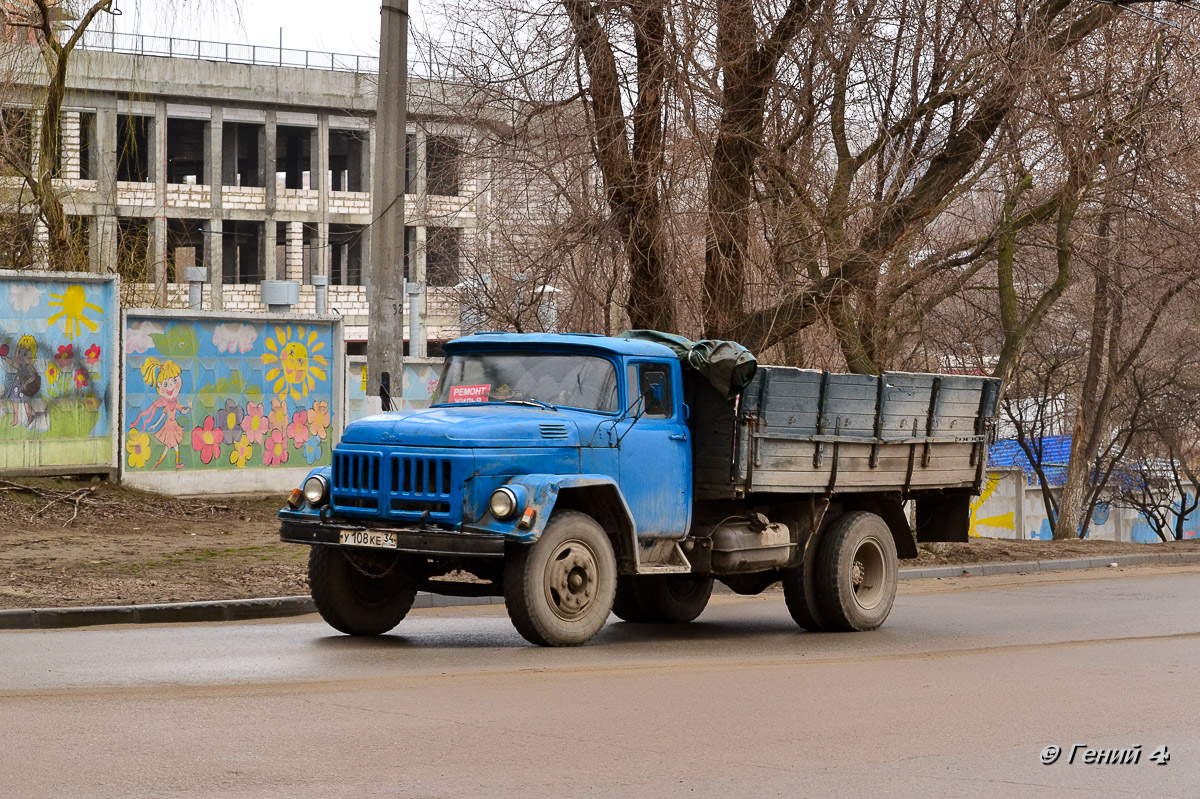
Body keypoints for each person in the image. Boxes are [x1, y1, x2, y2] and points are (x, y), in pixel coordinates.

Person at [131, 357, 191, 469]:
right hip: (168, 426)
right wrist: (155, 424)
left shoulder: (175, 402)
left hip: (173, 426)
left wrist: (189, 408)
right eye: (166, 384)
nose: (171, 386)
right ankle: (159, 462)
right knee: (168, 447)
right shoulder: (168, 404)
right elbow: (163, 415)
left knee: (174, 446)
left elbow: (182, 411)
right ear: (159, 385)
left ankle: (173, 463)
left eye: (174, 380)